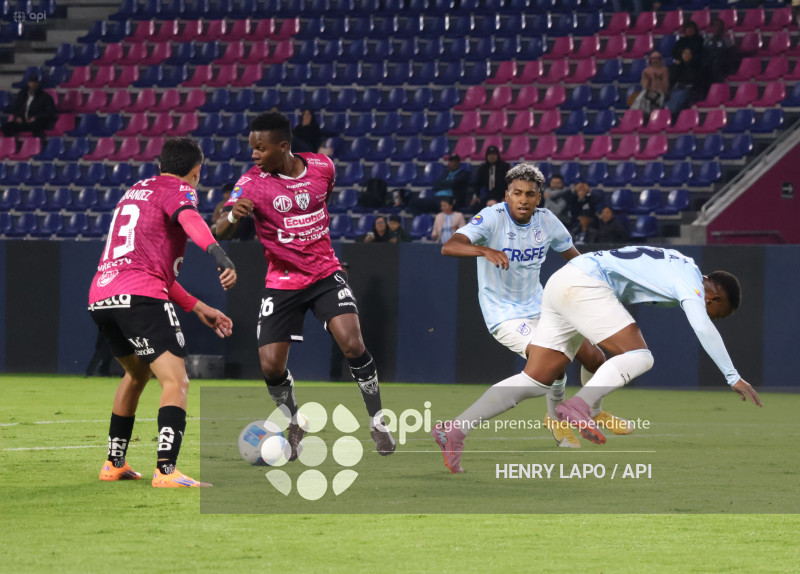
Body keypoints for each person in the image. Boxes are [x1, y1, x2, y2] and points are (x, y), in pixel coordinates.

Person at [432, 246, 761, 473]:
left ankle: (455, 430)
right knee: (640, 356)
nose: (713, 316)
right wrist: (732, 376)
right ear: (715, 296)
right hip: (586, 284)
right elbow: (702, 325)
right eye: (720, 313)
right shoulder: (691, 281)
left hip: (564, 282)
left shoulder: (679, 263)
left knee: (537, 379)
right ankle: (582, 406)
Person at [213, 112, 396, 456]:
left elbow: (321, 200)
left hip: (325, 273)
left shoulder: (323, 167)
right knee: (270, 365)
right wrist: (235, 214)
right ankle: (295, 420)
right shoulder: (251, 183)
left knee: (353, 345)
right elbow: (219, 230)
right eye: (252, 147)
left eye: (260, 148)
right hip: (282, 281)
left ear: (283, 147)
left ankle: (377, 421)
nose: (253, 154)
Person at [438, 163, 628, 456]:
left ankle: (589, 411)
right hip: (504, 314)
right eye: (517, 193)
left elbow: (574, 258)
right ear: (507, 195)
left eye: (530, 194)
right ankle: (458, 428)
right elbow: (450, 246)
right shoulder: (492, 218)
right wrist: (484, 249)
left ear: (539, 198)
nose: (523, 199)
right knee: (548, 369)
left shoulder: (547, 221)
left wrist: (596, 284)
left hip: (542, 306)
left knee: (594, 358)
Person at [89, 137, 238, 487]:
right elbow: (190, 220)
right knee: (176, 380)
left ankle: (114, 464)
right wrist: (218, 253)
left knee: (137, 375)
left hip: (102, 296)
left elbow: (155, 271)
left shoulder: (137, 190)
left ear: (160, 166)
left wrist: (199, 307)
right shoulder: (179, 190)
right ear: (197, 171)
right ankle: (166, 471)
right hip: (141, 295)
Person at [1, 72, 57, 139]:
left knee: (37, 128)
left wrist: (36, 117)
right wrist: (18, 116)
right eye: (31, 82)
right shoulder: (23, 95)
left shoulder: (46, 97)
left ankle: (37, 145)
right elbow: (17, 108)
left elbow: (50, 112)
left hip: (37, 122)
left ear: (38, 84)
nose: (32, 84)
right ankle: (10, 144)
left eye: (34, 83)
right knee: (6, 126)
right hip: (24, 122)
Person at [666, 47, 705, 120]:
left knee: (682, 94)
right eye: (685, 53)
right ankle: (669, 114)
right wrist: (677, 67)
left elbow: (696, 81)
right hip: (677, 89)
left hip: (691, 91)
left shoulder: (696, 68)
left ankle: (672, 114)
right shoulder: (676, 67)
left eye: (689, 53)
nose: (687, 55)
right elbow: (672, 79)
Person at [631, 52, 669, 117]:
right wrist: (648, 80)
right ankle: (633, 116)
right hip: (648, 91)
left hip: (660, 93)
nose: (655, 61)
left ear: (660, 60)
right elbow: (644, 86)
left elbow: (666, 87)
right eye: (653, 59)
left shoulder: (664, 70)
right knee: (641, 97)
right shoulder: (646, 71)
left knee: (656, 99)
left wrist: (658, 80)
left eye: (657, 59)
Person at [472, 145, 510, 209]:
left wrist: (506, 197)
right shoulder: (483, 168)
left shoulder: (505, 167)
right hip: (488, 196)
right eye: (489, 155)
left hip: (501, 196)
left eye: (494, 154)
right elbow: (477, 183)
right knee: (475, 207)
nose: (491, 157)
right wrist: (476, 196)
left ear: (497, 155)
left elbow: (510, 184)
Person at [702, 18, 735, 84]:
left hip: (721, 66)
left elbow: (731, 57)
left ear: (722, 28)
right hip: (708, 65)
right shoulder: (707, 40)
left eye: (719, 26)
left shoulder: (727, 41)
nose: (717, 27)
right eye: (715, 25)